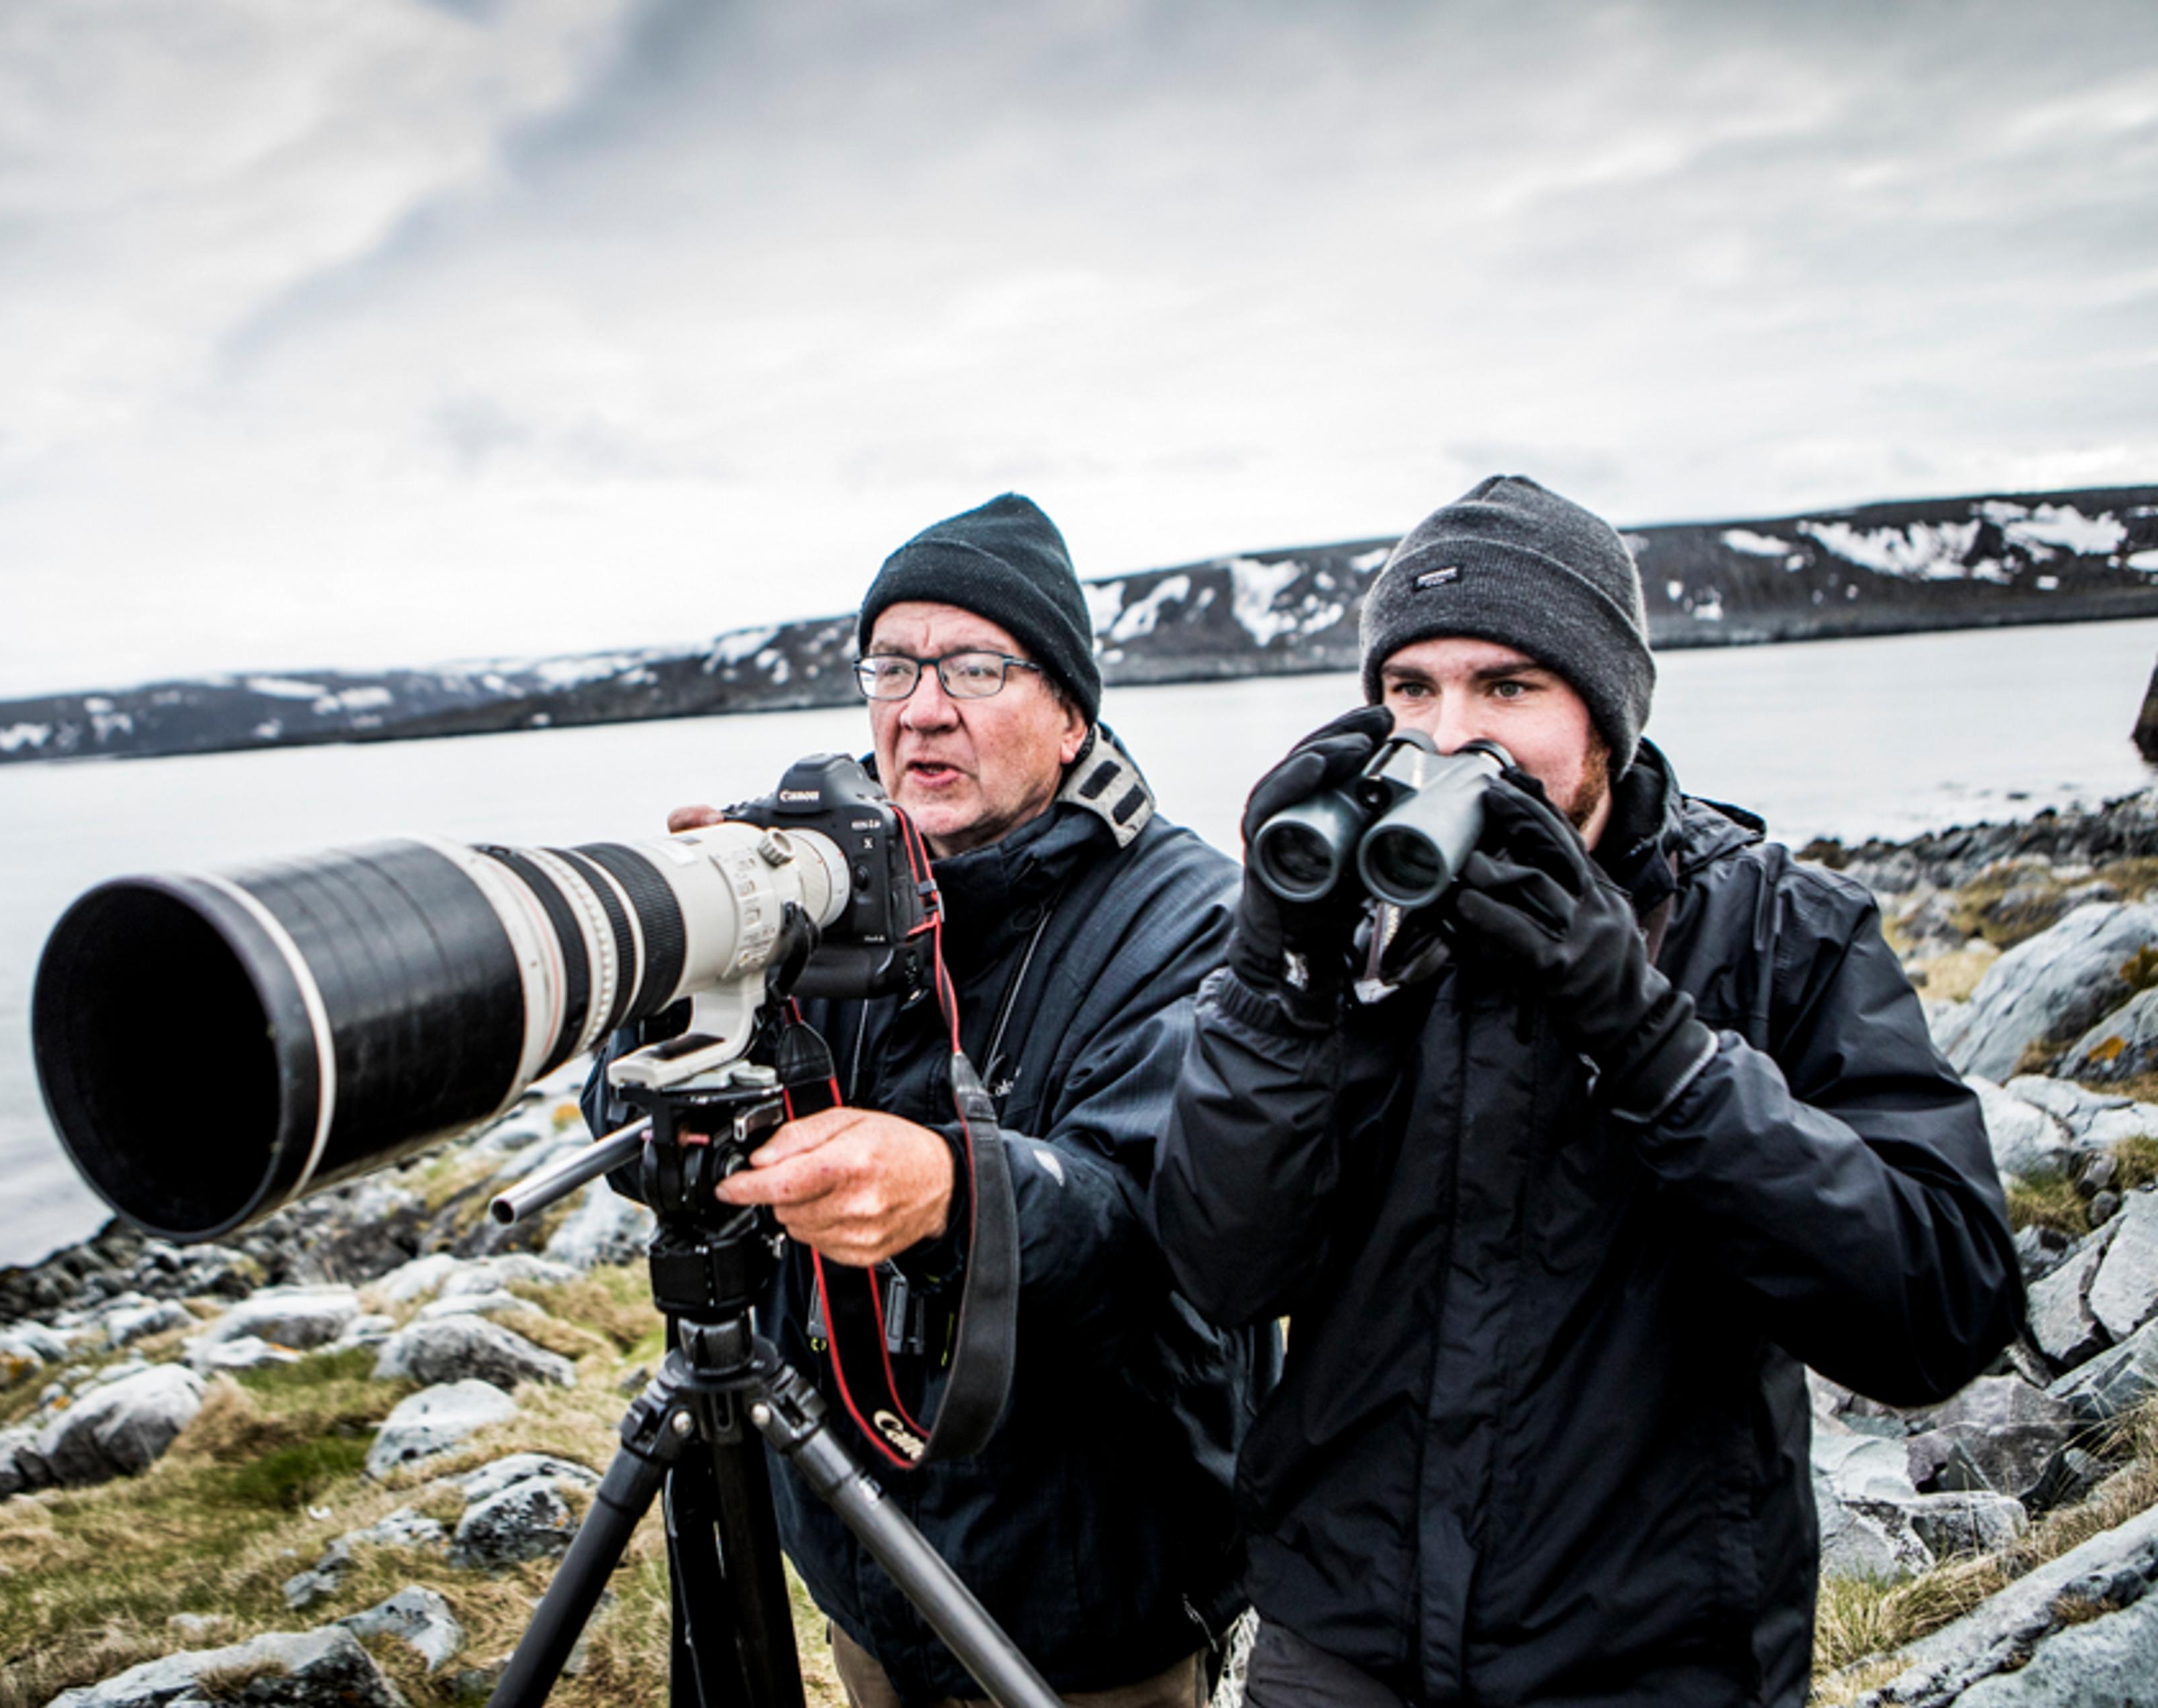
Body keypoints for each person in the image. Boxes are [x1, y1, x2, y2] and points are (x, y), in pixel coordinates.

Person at [1152, 475, 2025, 1708]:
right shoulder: (1355, 938)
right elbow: (1227, 1267)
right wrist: (1275, 973)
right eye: (1412, 689)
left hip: (1643, 1660)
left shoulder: (1779, 931)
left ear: (1607, 717)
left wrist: (1648, 1034)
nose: (1452, 737)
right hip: (1344, 1648)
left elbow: (1940, 1302)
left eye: (1508, 686)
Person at [585, 492, 1264, 1707]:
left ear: (1070, 714)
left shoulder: (1195, 919)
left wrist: (955, 1190)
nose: (921, 706)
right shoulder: (810, 894)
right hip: (863, 1569)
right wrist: (689, 973)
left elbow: (1172, 1222)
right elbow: (639, 1142)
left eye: (976, 666)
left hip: (1089, 1611)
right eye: (891, 664)